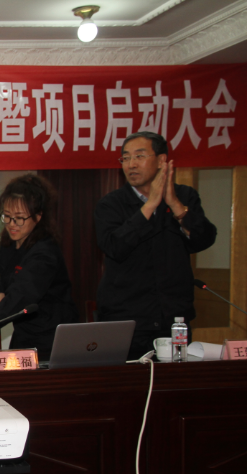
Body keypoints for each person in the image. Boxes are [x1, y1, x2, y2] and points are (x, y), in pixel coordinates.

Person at [95, 131, 217, 359]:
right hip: (127, 320)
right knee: (127, 379)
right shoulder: (110, 204)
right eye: (126, 158)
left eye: (139, 156)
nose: (131, 164)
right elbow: (115, 247)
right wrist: (150, 205)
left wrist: (176, 205)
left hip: (174, 320)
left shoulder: (185, 196)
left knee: (175, 380)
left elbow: (204, 239)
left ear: (162, 161)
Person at [0, 174, 78, 359]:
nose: (11, 225)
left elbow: (23, 292)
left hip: (53, 336)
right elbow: (6, 277)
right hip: (24, 331)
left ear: (38, 216)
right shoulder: (9, 242)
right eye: (7, 217)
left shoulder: (45, 252)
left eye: (19, 218)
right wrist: (0, 294)